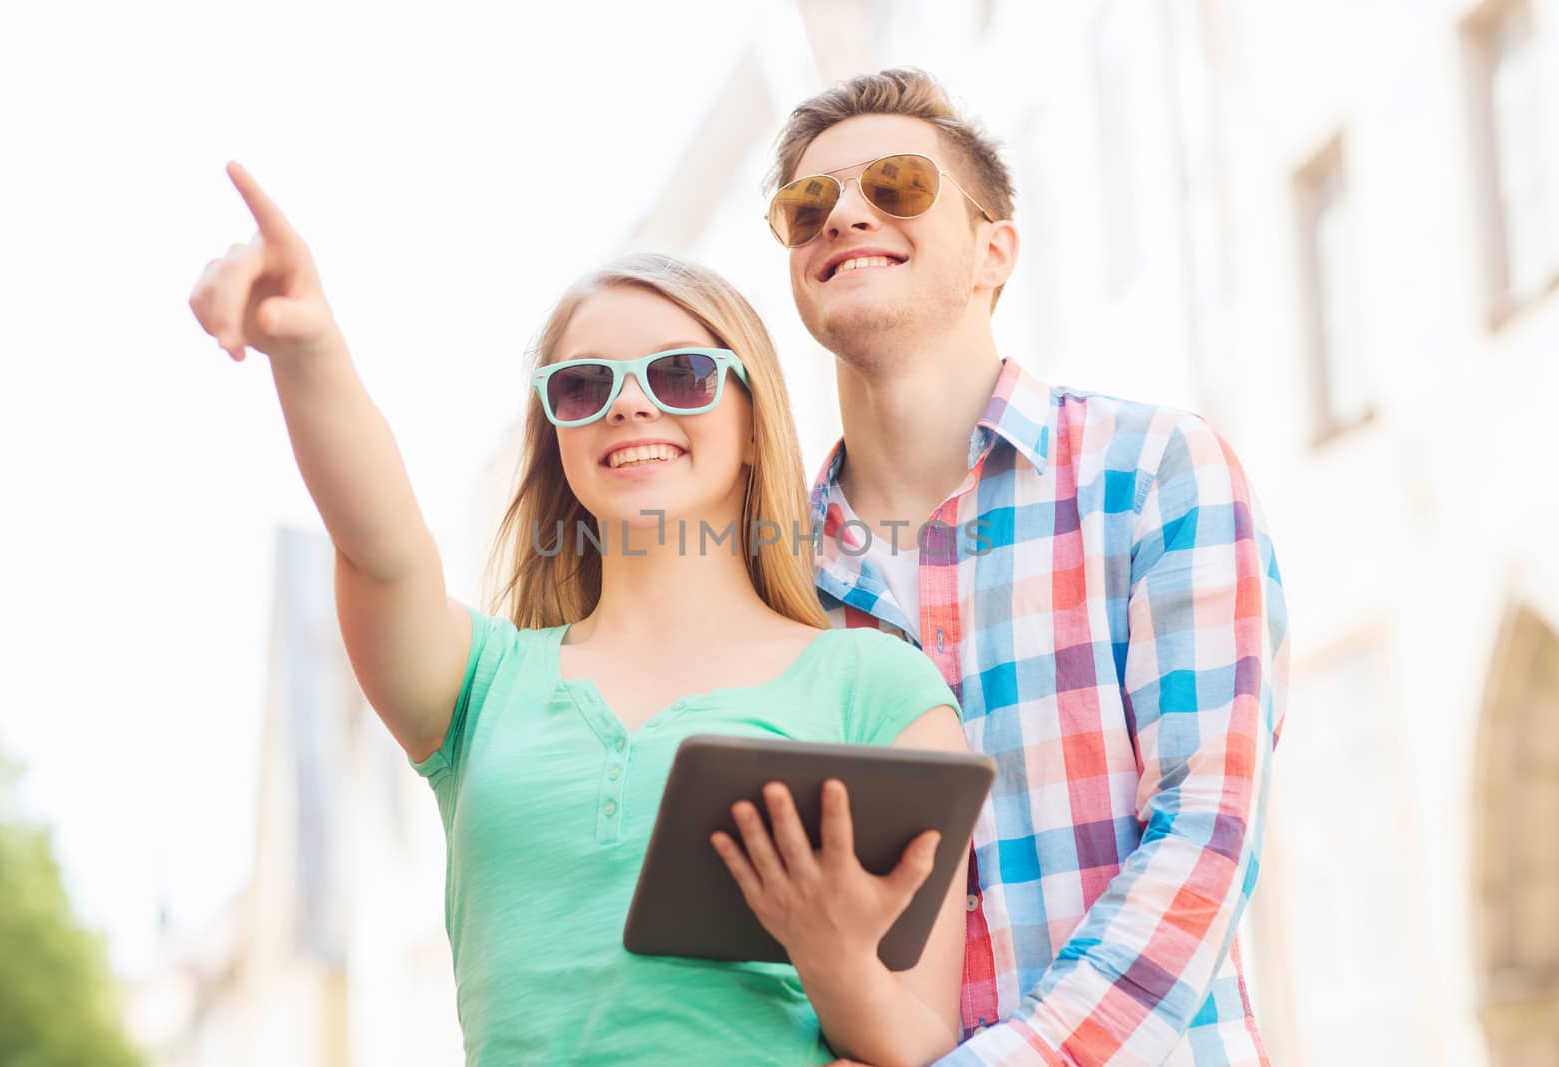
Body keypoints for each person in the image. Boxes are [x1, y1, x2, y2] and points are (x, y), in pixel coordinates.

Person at [187, 161, 975, 1066]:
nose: (629, 401)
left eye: (681, 374)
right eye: (582, 385)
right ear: (557, 433)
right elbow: (380, 549)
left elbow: (919, 1040)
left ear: (754, 419)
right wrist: (308, 346)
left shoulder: (880, 689)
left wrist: (834, 956)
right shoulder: (479, 686)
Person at [761, 69, 1291, 1066]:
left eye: (896, 185)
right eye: (806, 204)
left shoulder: (1156, 475)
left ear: (993, 250)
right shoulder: (770, 579)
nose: (843, 213)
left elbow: (1200, 839)